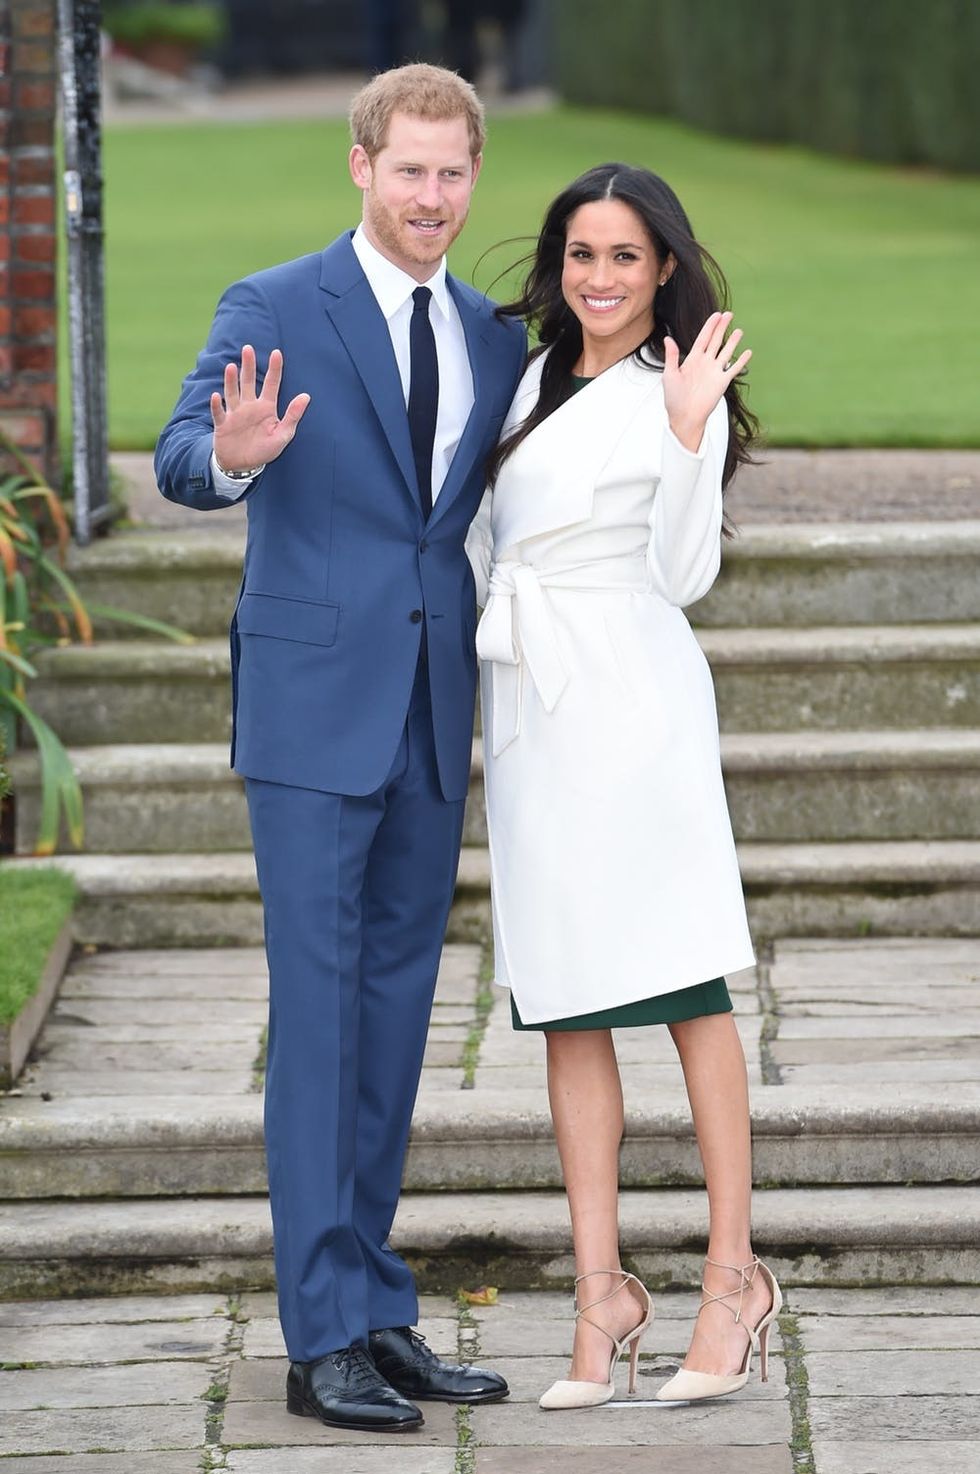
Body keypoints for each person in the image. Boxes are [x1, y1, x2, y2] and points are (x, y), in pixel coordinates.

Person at [155, 63, 526, 1433]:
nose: (431, 196)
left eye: (452, 172)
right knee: (318, 1020)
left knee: (393, 1015)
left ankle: (372, 1303)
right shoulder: (274, 305)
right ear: (361, 165)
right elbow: (179, 455)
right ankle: (319, 1340)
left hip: (428, 709)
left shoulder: (489, 333)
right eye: (408, 168)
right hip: (313, 712)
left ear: (472, 177)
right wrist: (235, 456)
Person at [468, 163, 782, 1410]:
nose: (599, 277)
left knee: (685, 985)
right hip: (529, 707)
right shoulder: (530, 376)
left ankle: (730, 1276)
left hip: (630, 699)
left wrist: (689, 435)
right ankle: (599, 1294)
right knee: (566, 1000)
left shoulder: (671, 384)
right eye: (581, 253)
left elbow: (683, 573)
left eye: (624, 256)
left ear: (662, 270)